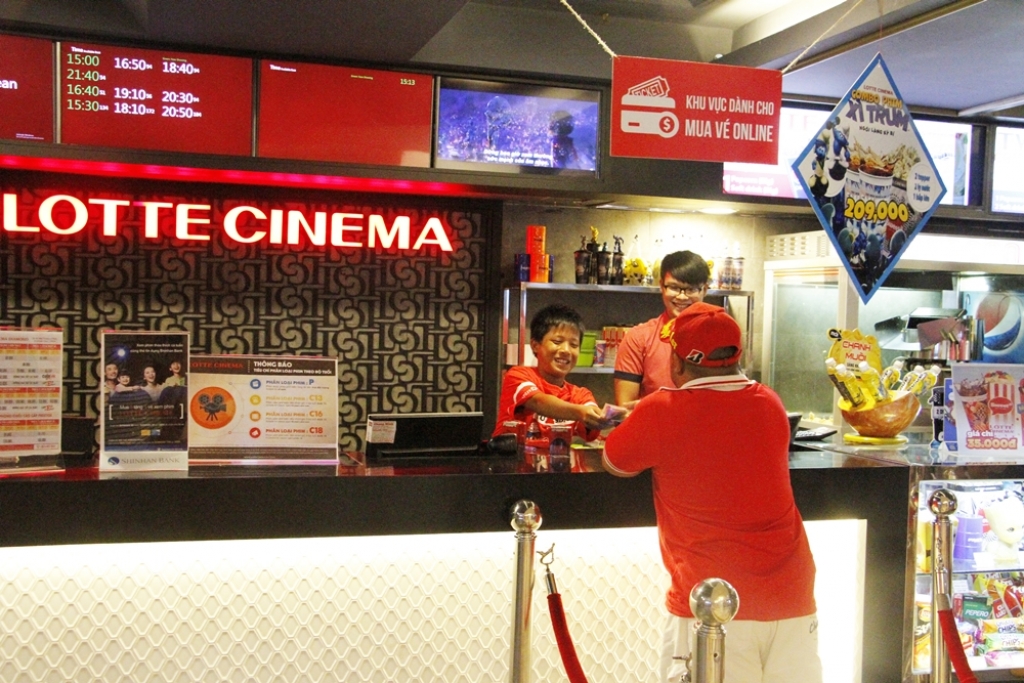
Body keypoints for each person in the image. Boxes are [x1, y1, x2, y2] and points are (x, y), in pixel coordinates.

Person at [603, 302, 821, 683]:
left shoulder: (662, 409)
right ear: (738, 355)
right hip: (792, 595)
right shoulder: (770, 403)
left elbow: (614, 461)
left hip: (713, 603)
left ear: (677, 362)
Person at [493, 304, 608, 442]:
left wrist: (606, 417)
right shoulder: (517, 376)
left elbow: (591, 420)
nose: (566, 350)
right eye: (557, 341)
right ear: (535, 345)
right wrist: (580, 412)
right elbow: (538, 402)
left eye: (574, 345)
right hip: (509, 455)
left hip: (557, 456)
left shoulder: (581, 395)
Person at [613, 250, 710, 406]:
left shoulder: (719, 337)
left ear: (704, 290)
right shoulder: (638, 338)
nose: (682, 297)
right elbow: (625, 408)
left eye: (691, 289)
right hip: (652, 422)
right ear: (661, 286)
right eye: (674, 287)